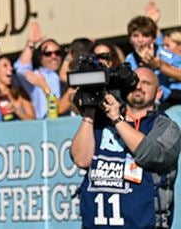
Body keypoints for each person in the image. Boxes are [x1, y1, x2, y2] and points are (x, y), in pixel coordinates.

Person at [71, 67, 181, 228]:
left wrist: (117, 118)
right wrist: (89, 113)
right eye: (134, 82)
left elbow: (151, 154)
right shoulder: (102, 124)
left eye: (146, 83)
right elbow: (81, 159)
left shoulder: (165, 126)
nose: (138, 87)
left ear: (158, 93)